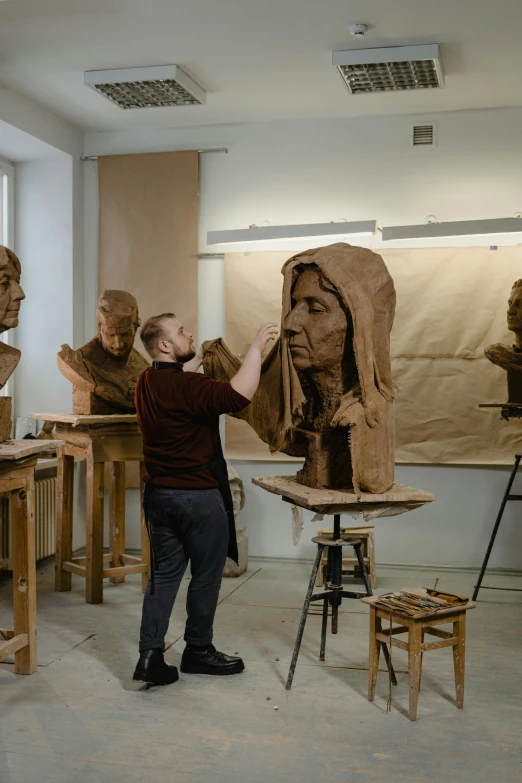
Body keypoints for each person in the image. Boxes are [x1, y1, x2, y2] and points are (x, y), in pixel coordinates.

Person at [132, 313, 278, 686]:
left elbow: (178, 380)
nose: (189, 333)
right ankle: (198, 651)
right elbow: (237, 394)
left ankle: (150, 656)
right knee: (205, 578)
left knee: (164, 577)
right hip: (197, 498)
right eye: (181, 332)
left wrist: (195, 360)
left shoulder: (146, 382)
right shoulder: (188, 390)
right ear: (164, 345)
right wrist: (256, 348)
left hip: (158, 496)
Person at [57, 289, 149, 414]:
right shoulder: (80, 362)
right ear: (100, 327)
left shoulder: (144, 369)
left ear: (136, 327)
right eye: (111, 335)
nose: (118, 344)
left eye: (125, 334)